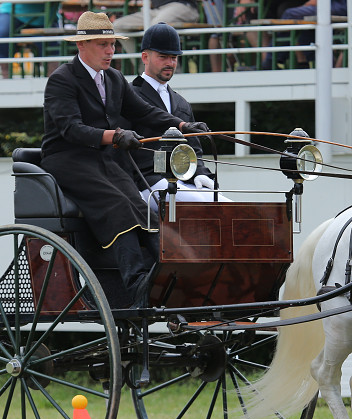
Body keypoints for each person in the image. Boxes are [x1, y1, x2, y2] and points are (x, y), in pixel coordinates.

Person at [41, 11, 209, 307]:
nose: (110, 52)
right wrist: (114, 136)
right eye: (103, 45)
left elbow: (144, 112)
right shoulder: (62, 80)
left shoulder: (115, 79)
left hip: (104, 161)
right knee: (119, 206)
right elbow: (70, 129)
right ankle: (136, 283)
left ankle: (166, 275)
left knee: (143, 209)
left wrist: (182, 126)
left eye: (113, 45)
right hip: (68, 160)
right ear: (82, 46)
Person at [123, 23, 222, 209]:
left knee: (225, 202)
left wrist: (200, 172)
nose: (170, 63)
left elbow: (194, 149)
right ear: (145, 56)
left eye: (174, 58)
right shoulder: (129, 95)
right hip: (145, 182)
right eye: (163, 57)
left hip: (183, 180)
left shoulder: (182, 103)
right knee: (209, 206)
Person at [114, 0, 200, 57]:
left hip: (182, 5)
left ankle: (171, 71)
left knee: (156, 25)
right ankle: (145, 68)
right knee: (118, 26)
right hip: (156, 10)